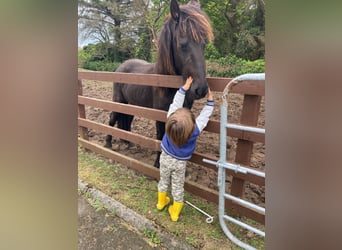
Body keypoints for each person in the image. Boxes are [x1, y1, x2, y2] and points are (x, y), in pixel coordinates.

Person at [156, 76, 214, 222]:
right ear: (192, 123)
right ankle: (175, 212)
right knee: (177, 186)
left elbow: (175, 104)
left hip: (165, 158)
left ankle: (161, 202)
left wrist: (183, 88)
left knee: (163, 180)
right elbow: (204, 117)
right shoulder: (194, 130)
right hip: (180, 163)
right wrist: (210, 101)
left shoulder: (170, 122)